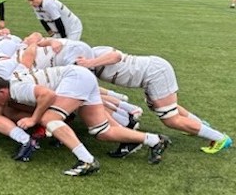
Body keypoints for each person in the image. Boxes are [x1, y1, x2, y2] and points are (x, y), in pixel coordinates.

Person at [0, 66, 171, 176]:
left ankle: (87, 160)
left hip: (75, 78)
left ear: (1, 92)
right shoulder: (15, 86)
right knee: (101, 131)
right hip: (80, 77)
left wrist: (34, 119)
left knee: (49, 118)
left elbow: (47, 95)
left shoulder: (16, 90)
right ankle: (155, 140)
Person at [76, 46, 232, 155]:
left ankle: (220, 138)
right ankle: (200, 125)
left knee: (170, 119)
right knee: (164, 108)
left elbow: (116, 56)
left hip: (155, 73)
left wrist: (90, 63)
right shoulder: (84, 61)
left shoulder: (94, 52)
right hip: (152, 73)